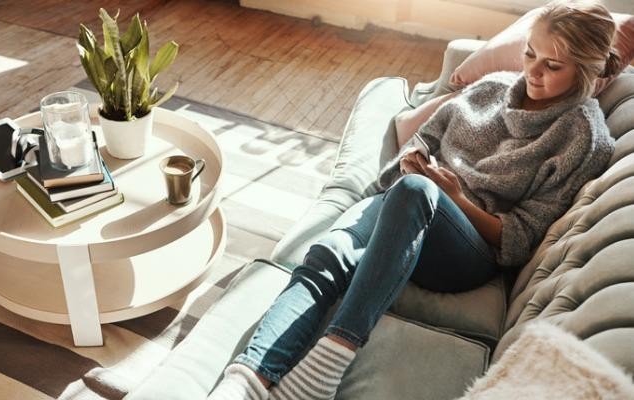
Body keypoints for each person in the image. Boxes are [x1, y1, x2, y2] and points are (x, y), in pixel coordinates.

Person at [208, 1, 618, 399]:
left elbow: (518, 239)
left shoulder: (582, 137)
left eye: (553, 66)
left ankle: (328, 365)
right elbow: (427, 137)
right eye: (531, 54)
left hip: (465, 250)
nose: (533, 71)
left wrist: (454, 195)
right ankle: (247, 379)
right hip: (407, 208)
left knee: (415, 191)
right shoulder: (491, 88)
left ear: (585, 71)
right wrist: (413, 158)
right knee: (330, 251)